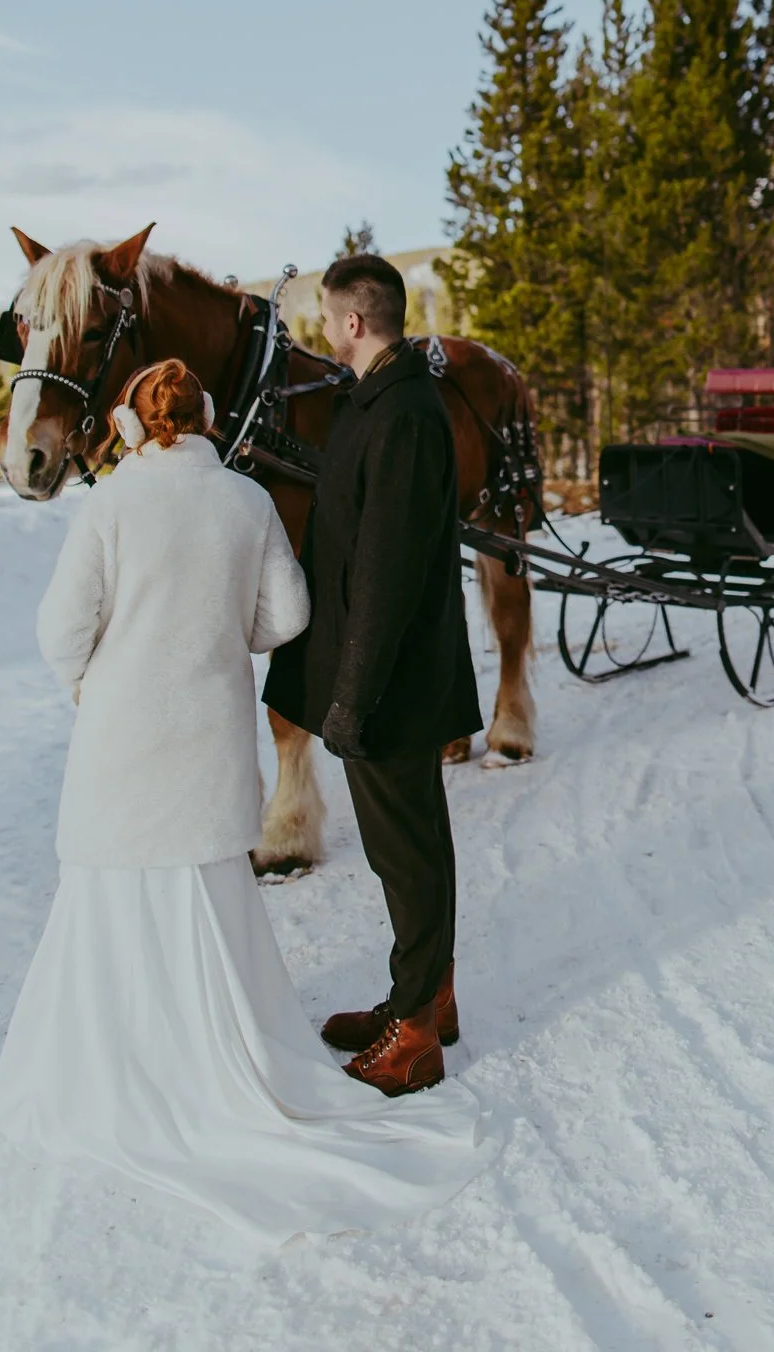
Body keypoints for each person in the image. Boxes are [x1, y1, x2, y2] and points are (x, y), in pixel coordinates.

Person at [0, 358, 494, 1246]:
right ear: (211, 418)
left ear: (131, 425)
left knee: (112, 887)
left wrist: (84, 682)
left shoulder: (110, 503)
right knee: (209, 888)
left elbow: (60, 627)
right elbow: (284, 620)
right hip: (207, 737)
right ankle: (226, 1048)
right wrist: (224, 633)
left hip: (120, 742)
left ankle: (123, 1054)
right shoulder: (246, 502)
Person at [265, 255, 482, 1098]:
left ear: (354, 322)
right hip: (385, 674)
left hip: (391, 680)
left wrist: (352, 697)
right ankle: (425, 995)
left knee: (406, 851)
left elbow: (386, 572)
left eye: (327, 317)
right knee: (411, 843)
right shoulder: (380, 399)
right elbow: (352, 495)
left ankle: (416, 1034)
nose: (322, 330)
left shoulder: (402, 414)